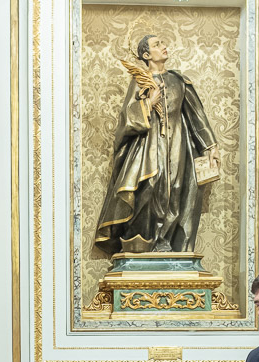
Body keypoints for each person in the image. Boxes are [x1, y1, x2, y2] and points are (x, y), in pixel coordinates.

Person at [94, 34, 220, 255]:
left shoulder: (179, 81)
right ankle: (145, 243)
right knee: (149, 188)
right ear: (146, 55)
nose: (163, 47)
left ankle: (168, 244)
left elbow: (196, 116)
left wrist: (211, 146)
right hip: (149, 147)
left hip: (178, 147)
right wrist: (148, 104)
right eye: (156, 45)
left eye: (163, 43)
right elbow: (127, 117)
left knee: (177, 189)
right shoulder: (140, 81)